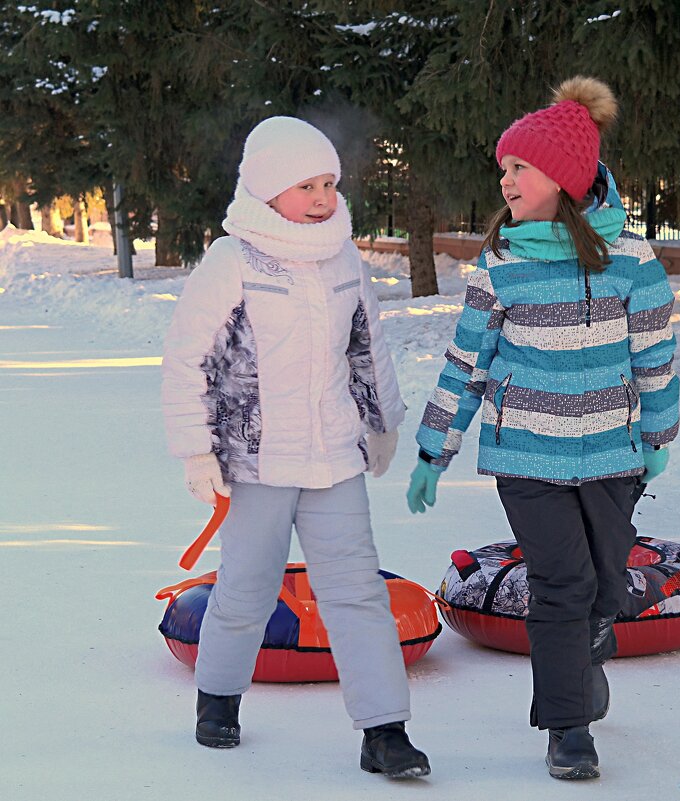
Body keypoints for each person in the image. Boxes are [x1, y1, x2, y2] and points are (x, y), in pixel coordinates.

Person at [407, 76, 679, 780]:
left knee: (604, 586)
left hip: (614, 456)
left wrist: (659, 439)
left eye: (519, 167)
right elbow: (467, 363)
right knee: (561, 583)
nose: (505, 180)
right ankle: (568, 727)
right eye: (503, 168)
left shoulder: (633, 262)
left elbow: (655, 356)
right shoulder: (501, 267)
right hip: (528, 456)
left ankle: (585, 659)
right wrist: (435, 449)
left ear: (564, 176)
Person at [161, 116, 430, 778]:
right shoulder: (234, 261)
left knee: (356, 589)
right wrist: (197, 452)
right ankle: (218, 699)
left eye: (329, 183)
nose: (320, 197)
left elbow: (368, 342)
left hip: (334, 454)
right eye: (305, 184)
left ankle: (384, 729)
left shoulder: (342, 257)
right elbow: (184, 358)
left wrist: (382, 420)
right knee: (247, 585)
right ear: (265, 188)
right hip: (256, 459)